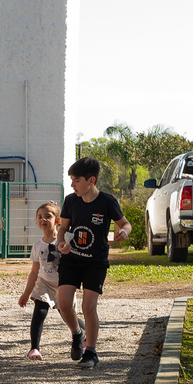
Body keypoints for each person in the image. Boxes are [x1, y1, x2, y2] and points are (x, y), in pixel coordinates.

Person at [56, 157, 130, 369]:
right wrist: (61, 244)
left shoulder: (107, 201)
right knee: (63, 304)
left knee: (88, 307)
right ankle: (77, 333)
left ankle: (91, 353)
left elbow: (125, 223)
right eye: (71, 180)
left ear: (91, 180)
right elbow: (63, 229)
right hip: (71, 260)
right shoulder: (71, 200)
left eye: (76, 180)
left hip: (95, 263)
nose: (72, 185)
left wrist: (124, 231)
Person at [17, 201, 75, 360]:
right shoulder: (37, 246)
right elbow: (34, 272)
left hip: (63, 284)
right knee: (40, 310)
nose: (43, 219)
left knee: (68, 316)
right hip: (44, 284)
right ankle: (34, 349)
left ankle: (82, 335)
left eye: (48, 216)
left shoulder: (65, 241)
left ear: (57, 220)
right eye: (39, 217)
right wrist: (26, 294)